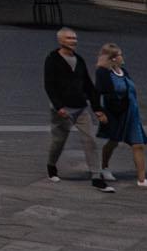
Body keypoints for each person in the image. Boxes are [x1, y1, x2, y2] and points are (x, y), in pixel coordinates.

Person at [45, 26, 110, 189]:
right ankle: (51, 166)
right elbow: (49, 85)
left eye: (74, 38)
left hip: (80, 107)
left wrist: (97, 108)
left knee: (90, 140)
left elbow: (88, 85)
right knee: (59, 141)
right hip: (62, 109)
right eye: (69, 38)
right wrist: (59, 106)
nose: (73, 41)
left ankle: (96, 175)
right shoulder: (52, 59)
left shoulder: (79, 60)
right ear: (60, 40)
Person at [93, 43, 147, 187]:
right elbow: (98, 93)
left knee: (138, 145)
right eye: (119, 55)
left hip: (131, 113)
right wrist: (99, 112)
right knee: (113, 142)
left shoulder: (123, 71)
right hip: (115, 114)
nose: (122, 57)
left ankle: (142, 179)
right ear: (113, 58)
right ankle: (104, 167)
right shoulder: (104, 73)